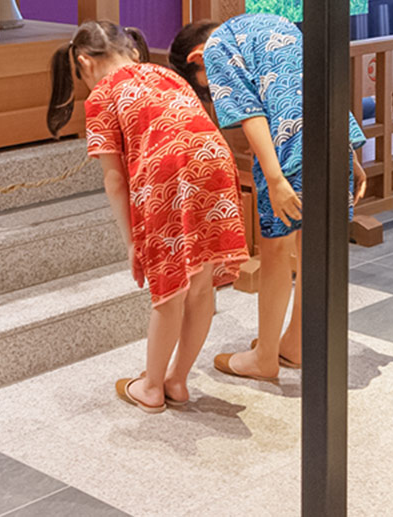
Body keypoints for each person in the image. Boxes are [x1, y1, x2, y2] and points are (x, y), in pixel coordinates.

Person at [48, 20, 249, 412]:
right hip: (216, 161)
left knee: (169, 287)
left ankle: (152, 386)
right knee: (202, 282)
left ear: (85, 63)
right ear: (133, 51)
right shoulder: (163, 73)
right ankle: (178, 380)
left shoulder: (103, 94)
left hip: (168, 173)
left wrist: (131, 243)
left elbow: (113, 180)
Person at [168, 13, 365, 384]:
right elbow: (324, 81)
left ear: (196, 58)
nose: (211, 92)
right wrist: (351, 152)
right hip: (333, 140)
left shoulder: (218, 47)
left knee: (275, 251)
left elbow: (250, 113)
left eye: (205, 88)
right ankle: (297, 344)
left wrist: (274, 178)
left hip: (288, 152)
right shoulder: (277, 24)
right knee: (315, 249)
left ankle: (264, 358)